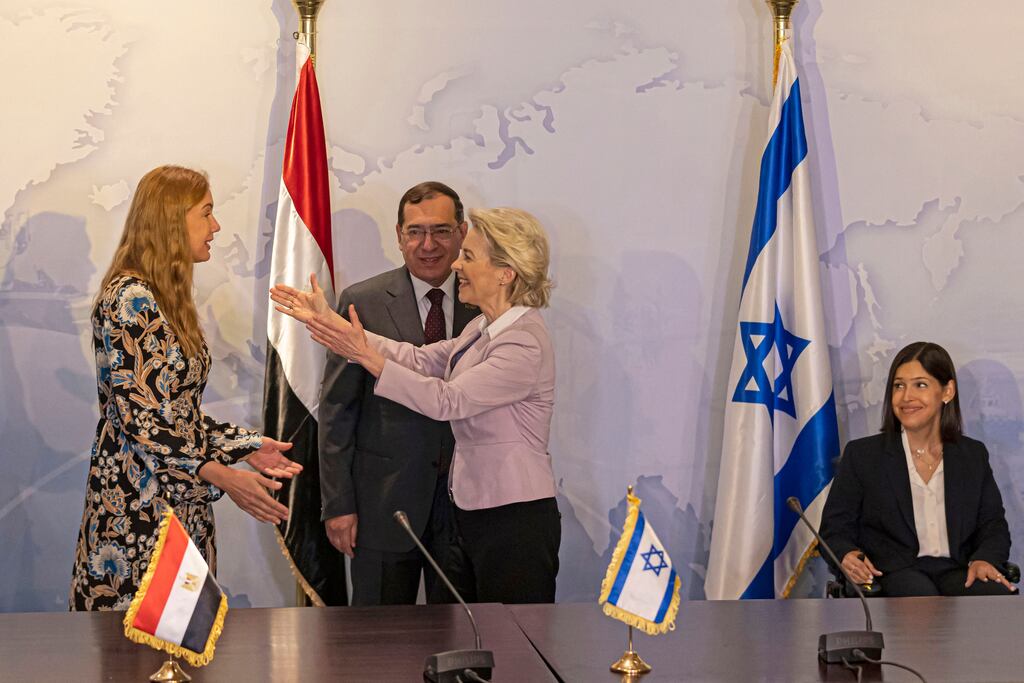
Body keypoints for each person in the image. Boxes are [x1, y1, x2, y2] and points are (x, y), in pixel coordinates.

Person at [272, 207, 560, 603]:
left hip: (514, 516)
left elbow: (448, 400)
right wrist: (334, 324)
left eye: (469, 256)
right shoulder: (482, 328)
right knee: (475, 639)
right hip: (476, 512)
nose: (456, 262)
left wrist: (368, 359)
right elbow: (419, 358)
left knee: (515, 645)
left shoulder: (522, 341)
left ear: (505, 272)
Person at [70, 165, 301, 611]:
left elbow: (176, 414)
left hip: (178, 501)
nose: (216, 227)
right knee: (137, 659)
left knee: (185, 651)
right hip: (138, 511)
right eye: (207, 213)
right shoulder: (129, 299)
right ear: (173, 219)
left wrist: (245, 447)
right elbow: (143, 422)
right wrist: (226, 477)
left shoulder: (162, 296)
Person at [318, 181, 477, 605]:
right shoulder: (361, 303)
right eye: (415, 232)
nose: (428, 245)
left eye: (442, 231)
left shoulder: (487, 304)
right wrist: (338, 505)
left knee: (463, 640)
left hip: (467, 507)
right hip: (383, 507)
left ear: (462, 233)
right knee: (378, 648)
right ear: (399, 236)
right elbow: (337, 411)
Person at [820, 341, 1016, 597]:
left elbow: (992, 525)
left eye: (920, 385)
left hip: (957, 569)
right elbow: (834, 530)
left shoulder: (972, 455)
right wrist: (846, 555)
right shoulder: (863, 455)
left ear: (947, 391)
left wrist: (984, 559)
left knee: (996, 597)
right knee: (921, 601)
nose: (906, 396)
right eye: (898, 386)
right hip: (893, 573)